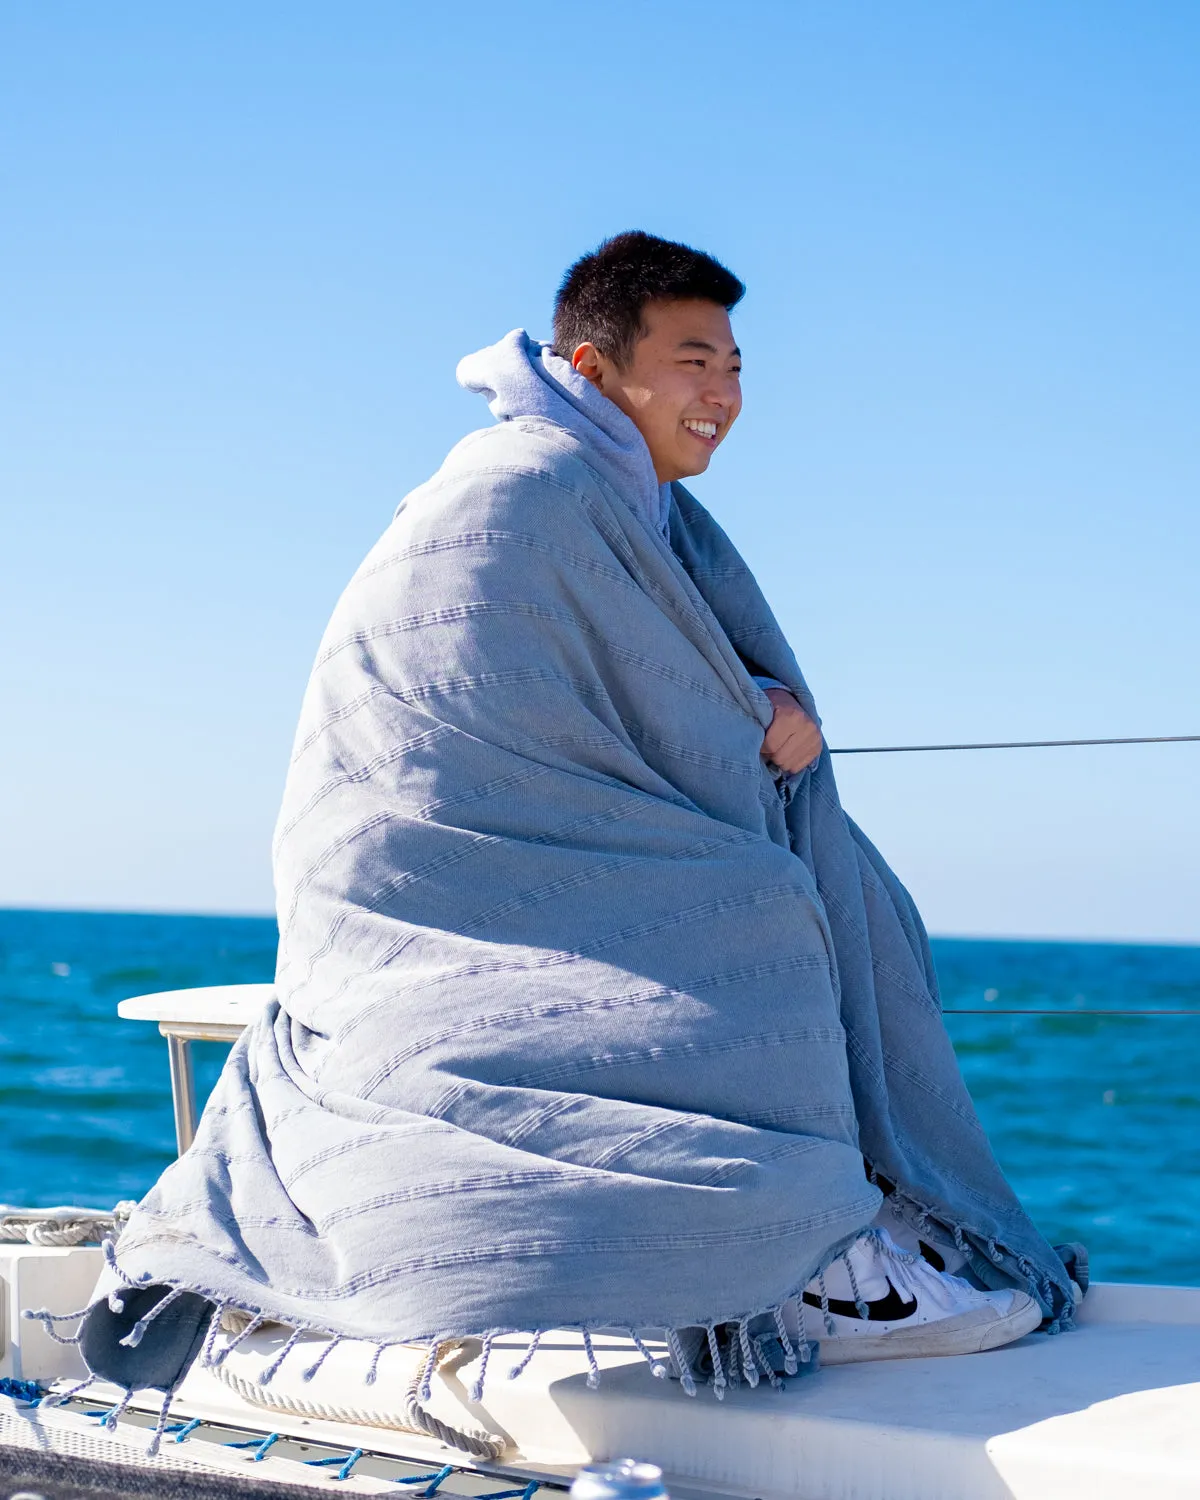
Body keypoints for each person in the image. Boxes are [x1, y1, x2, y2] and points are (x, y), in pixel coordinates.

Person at [71, 232, 1081, 1414]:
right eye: (695, 362)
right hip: (437, 867)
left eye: (739, 369)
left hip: (548, 832)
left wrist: (753, 709)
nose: (725, 395)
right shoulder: (520, 485)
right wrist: (750, 712)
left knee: (850, 893)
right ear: (596, 368)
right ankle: (801, 1271)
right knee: (757, 934)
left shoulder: (635, 501)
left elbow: (636, 681)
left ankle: (839, 1235)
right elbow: (484, 705)